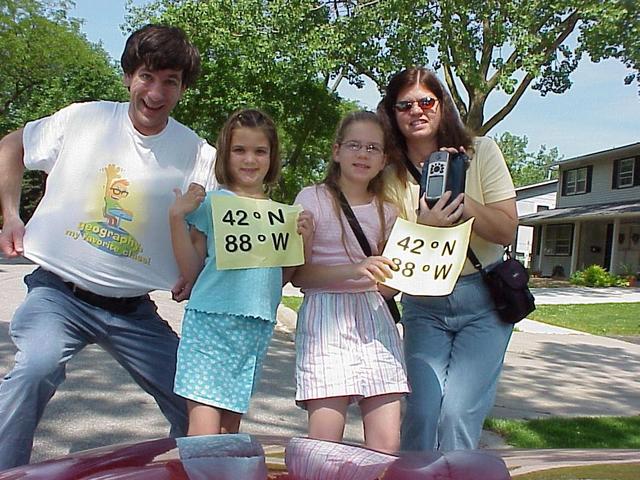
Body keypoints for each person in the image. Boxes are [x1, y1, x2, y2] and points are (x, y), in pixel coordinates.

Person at [0, 24, 217, 469]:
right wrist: (10, 216)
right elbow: (10, 147)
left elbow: (205, 228)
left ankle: (197, 470)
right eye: (146, 76)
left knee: (194, 397)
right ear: (128, 77)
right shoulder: (84, 118)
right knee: (34, 368)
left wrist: (192, 272)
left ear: (182, 88)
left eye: (170, 81)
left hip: (134, 310)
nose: (156, 92)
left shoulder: (197, 153)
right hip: (58, 295)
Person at [378, 67, 518, 451]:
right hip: (423, 302)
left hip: (484, 299)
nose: (416, 111)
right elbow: (389, 255)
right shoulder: (386, 173)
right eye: (404, 105)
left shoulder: (481, 151)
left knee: (457, 415)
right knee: (422, 414)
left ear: (442, 106)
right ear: (391, 113)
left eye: (427, 101)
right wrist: (426, 225)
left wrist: (463, 201)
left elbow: (507, 230)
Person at [169, 109, 313, 436]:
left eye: (260, 151)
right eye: (240, 150)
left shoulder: (282, 215)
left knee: (230, 428)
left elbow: (283, 277)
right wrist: (176, 219)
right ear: (225, 154)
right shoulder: (210, 204)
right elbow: (191, 271)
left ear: (272, 157)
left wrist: (306, 241)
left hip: (256, 327)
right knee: (204, 428)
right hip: (211, 322)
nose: (250, 159)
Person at [291, 111, 409, 453]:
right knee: (325, 446)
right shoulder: (310, 199)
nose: (363, 154)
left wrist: (411, 273)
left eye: (373, 148)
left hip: (375, 319)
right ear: (336, 151)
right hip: (325, 320)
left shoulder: (390, 211)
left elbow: (389, 285)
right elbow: (299, 276)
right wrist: (355, 269)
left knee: (386, 446)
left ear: (384, 159)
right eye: (354, 145)